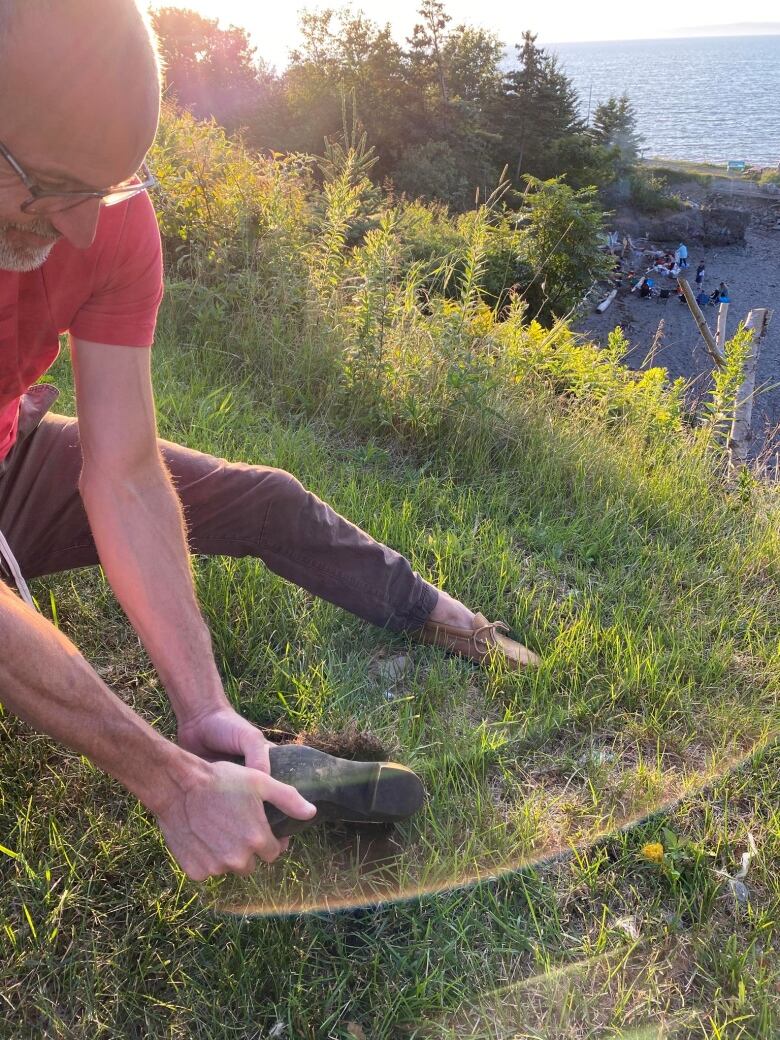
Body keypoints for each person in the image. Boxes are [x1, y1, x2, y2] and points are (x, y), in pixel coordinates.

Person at [0, 0, 540, 883]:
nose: (83, 229)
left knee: (265, 495)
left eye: (105, 189)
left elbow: (126, 472)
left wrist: (200, 701)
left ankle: (451, 621)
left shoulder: (109, 219)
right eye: (53, 189)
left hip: (10, 455)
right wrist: (168, 783)